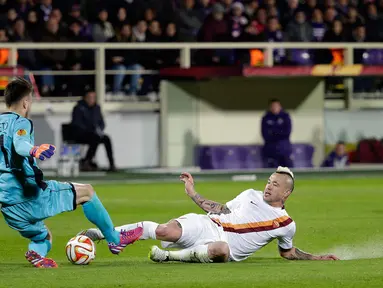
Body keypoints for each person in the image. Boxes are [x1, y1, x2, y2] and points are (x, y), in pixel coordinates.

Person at [0, 78, 141, 268]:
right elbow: (20, 144)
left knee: (43, 236)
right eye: (31, 100)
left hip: (7, 206)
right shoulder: (22, 122)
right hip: (30, 195)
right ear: (26, 102)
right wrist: (33, 150)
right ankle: (115, 239)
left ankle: (36, 253)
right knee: (87, 192)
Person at [79, 167, 339, 263]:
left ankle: (167, 257)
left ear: (286, 193)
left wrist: (317, 257)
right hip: (209, 225)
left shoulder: (286, 225)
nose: (268, 185)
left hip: (222, 248)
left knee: (222, 250)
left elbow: (288, 253)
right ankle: (102, 233)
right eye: (269, 181)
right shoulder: (250, 193)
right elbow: (222, 209)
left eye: (275, 184)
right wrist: (194, 194)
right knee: (164, 231)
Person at [71, 90, 116, 171]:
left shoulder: (97, 108)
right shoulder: (78, 108)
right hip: (81, 134)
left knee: (106, 138)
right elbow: (77, 123)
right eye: (90, 97)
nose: (92, 100)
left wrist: (99, 129)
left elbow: (101, 122)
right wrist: (90, 130)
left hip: (94, 134)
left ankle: (111, 164)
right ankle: (87, 161)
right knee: (95, 138)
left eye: (93, 98)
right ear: (85, 98)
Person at [261, 99, 293, 168]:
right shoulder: (266, 118)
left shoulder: (285, 117)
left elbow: (287, 132)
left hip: (284, 150)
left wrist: (273, 132)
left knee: (287, 173)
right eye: (273, 106)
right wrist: (279, 131)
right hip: (270, 150)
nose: (274, 108)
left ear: (280, 106)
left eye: (276, 106)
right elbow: (265, 134)